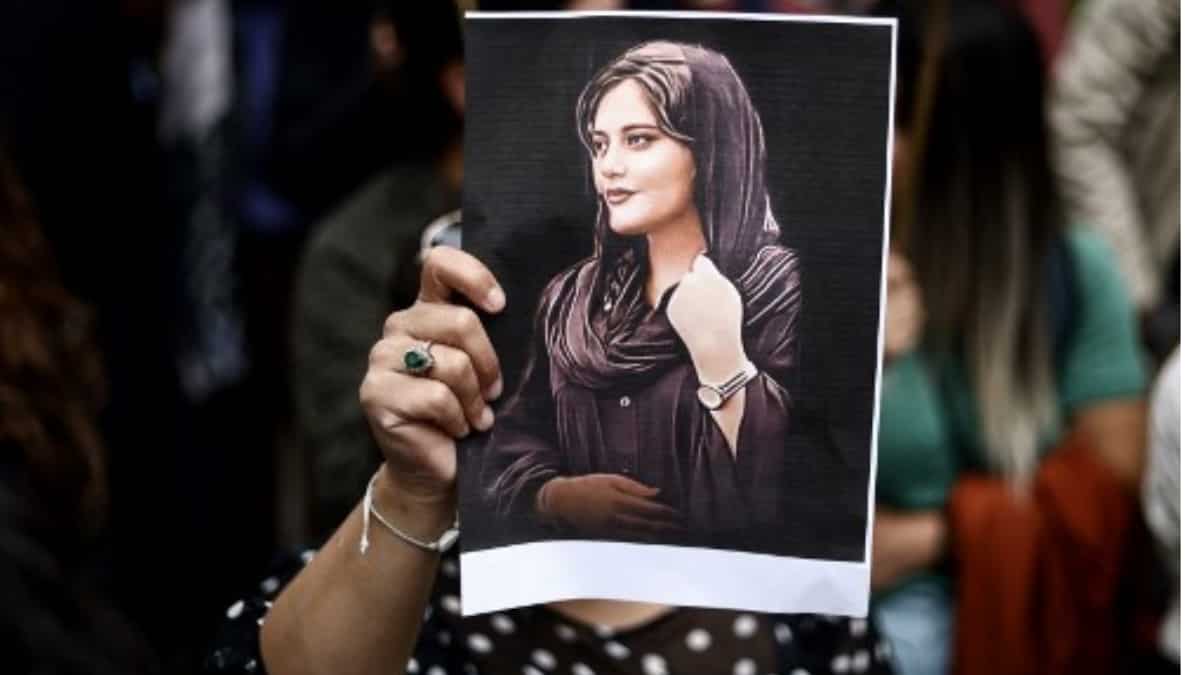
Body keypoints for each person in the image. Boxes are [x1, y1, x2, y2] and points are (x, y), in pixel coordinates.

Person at [868, 1, 1147, 674]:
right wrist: (857, 355)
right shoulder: (808, 261)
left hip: (1000, 625)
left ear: (968, 149)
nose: (873, 143)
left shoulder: (1076, 274)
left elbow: (1107, 495)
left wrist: (944, 535)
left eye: (897, 119)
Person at [479, 41, 802, 545]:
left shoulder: (780, 288)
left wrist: (726, 363)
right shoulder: (572, 298)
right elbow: (513, 445)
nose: (608, 166)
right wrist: (557, 498)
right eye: (600, 144)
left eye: (639, 140)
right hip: (583, 593)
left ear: (710, 150)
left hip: (723, 606)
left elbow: (806, 486)